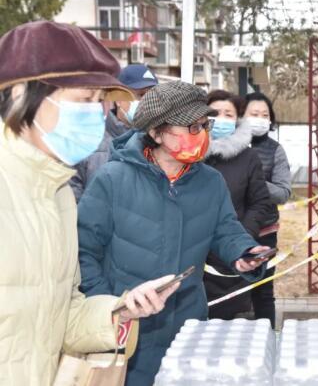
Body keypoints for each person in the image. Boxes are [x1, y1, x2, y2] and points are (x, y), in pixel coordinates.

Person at [0, 21, 180, 386]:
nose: (97, 114)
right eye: (84, 100)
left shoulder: (57, 194)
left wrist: (122, 310)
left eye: (101, 101)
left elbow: (62, 314)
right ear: (20, 94)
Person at [77, 81, 269, 386]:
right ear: (156, 133)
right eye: (191, 127)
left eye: (204, 125)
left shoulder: (210, 181)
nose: (201, 134)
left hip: (186, 329)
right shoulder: (112, 179)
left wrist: (243, 253)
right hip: (126, 331)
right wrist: (108, 308)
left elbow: (226, 229)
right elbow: (84, 251)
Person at [203, 89, 271, 320]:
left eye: (228, 114)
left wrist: (242, 237)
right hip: (195, 257)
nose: (221, 119)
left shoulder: (248, 158)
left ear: (237, 120)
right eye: (215, 113)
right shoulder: (191, 156)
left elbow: (259, 202)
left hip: (231, 256)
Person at [69, 64, 159, 201]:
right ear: (118, 99)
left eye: (152, 97)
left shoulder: (161, 142)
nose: (146, 103)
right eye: (140, 95)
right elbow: (72, 198)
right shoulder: (88, 142)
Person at [244, 91, 292, 327]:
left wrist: (254, 179)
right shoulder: (225, 145)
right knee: (228, 291)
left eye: (265, 115)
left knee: (262, 291)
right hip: (229, 231)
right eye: (254, 114)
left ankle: (268, 337)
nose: (260, 119)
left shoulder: (275, 150)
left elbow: (283, 193)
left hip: (264, 233)